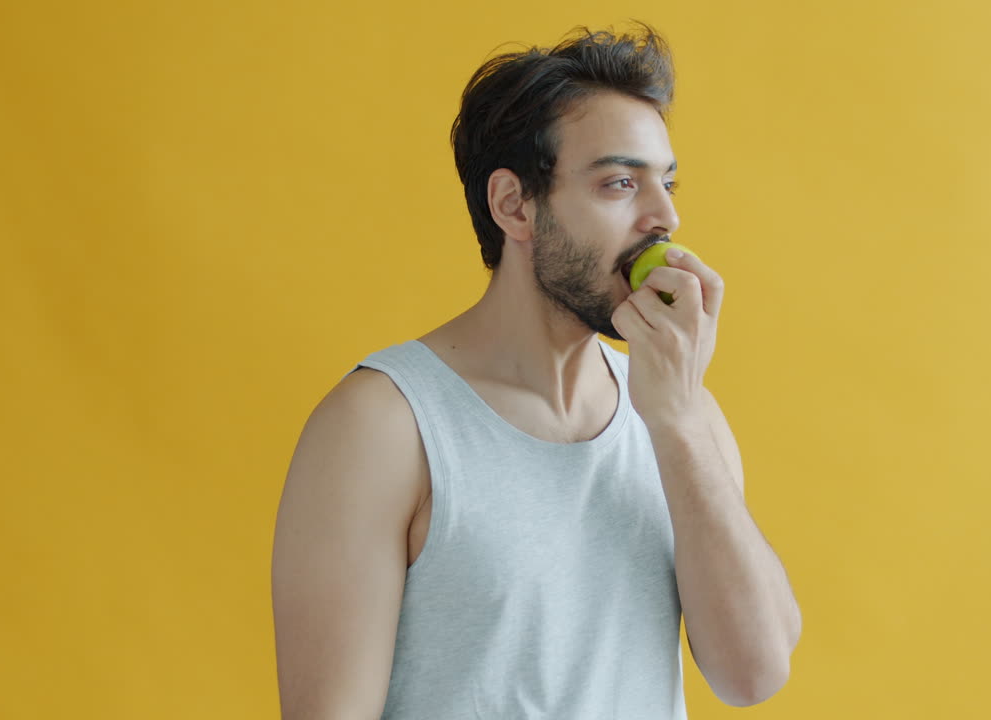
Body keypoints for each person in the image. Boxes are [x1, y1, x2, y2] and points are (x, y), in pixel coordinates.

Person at [270, 23, 802, 719]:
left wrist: (678, 421)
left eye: (667, 183)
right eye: (620, 183)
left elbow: (753, 675)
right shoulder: (381, 427)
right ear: (514, 205)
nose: (664, 217)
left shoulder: (680, 414)